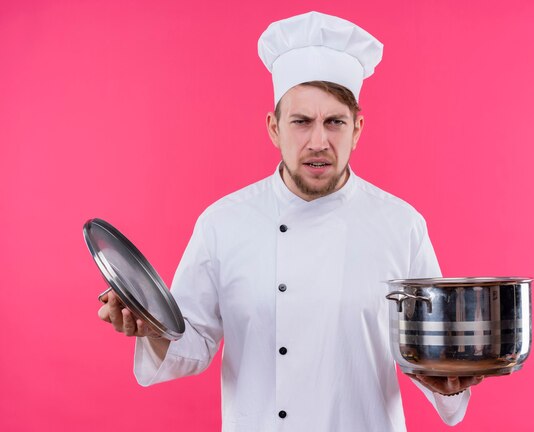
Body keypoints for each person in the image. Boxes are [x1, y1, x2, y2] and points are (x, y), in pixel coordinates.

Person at [98, 11, 483, 431]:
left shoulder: (401, 225)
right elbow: (193, 342)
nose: (318, 142)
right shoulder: (223, 223)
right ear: (273, 128)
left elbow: (433, 355)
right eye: (301, 122)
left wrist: (450, 382)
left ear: (357, 129)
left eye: (334, 122)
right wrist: (148, 326)